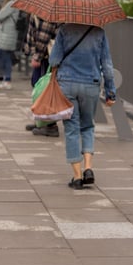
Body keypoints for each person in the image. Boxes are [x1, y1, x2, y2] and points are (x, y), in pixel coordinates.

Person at [48, 23, 116, 189]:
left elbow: (54, 60)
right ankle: (88, 168)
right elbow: (107, 65)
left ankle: (77, 177)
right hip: (90, 84)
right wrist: (110, 91)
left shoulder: (64, 30)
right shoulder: (99, 32)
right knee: (87, 127)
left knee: (71, 129)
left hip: (67, 84)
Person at [23, 0, 62, 136]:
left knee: (44, 86)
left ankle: (49, 125)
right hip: (44, 50)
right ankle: (41, 120)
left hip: (48, 50)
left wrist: (37, 56)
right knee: (39, 84)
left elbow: (46, 28)